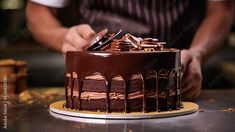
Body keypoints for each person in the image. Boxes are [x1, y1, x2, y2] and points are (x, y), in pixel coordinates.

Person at [26, 0, 234, 100]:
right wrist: (64, 37)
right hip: (95, 85)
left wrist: (198, 53)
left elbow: (221, 9)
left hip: (174, 79)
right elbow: (38, 10)